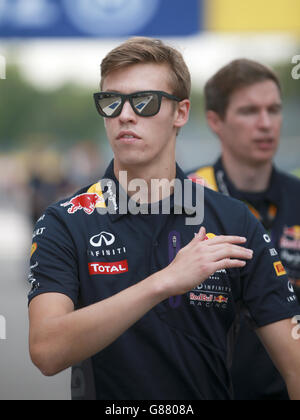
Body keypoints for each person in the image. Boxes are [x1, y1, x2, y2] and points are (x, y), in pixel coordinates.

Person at [28, 39, 300, 401]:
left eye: (144, 101)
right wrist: (164, 282)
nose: (126, 115)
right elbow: (46, 349)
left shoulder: (234, 219)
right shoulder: (66, 221)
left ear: (181, 113)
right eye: (112, 102)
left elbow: (295, 365)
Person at [188, 58, 300, 400]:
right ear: (215, 121)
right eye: (249, 111)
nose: (266, 124)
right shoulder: (184, 197)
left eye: (274, 110)